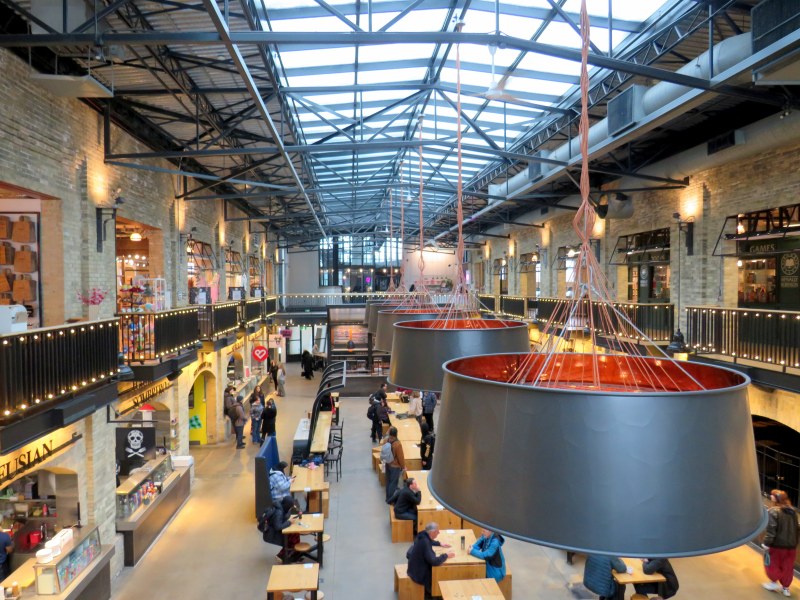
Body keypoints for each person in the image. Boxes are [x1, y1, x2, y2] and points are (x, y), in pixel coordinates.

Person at [763, 489, 799, 596]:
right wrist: (794, 543)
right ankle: (786, 588)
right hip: (791, 546)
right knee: (788, 566)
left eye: (772, 496)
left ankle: (774, 582)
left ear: (776, 499)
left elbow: (771, 529)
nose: (770, 497)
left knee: (772, 563)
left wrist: (766, 543)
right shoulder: (793, 512)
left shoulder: (774, 511)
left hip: (777, 545)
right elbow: (796, 529)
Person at [407, 522, 454, 598]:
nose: (439, 532)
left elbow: (429, 541)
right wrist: (446, 555)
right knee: (439, 571)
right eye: (437, 531)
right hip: (418, 574)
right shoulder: (425, 543)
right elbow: (434, 561)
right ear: (432, 532)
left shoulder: (422, 535)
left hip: (413, 567)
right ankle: (432, 593)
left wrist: (439, 543)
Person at [261, 495, 303, 563]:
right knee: (291, 537)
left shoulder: (281, 505)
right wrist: (289, 522)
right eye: (290, 507)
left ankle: (294, 553)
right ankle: (281, 556)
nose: (290, 509)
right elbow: (278, 526)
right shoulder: (279, 513)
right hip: (272, 534)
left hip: (274, 530)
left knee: (295, 534)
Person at [382, 426, 405, 503]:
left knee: (388, 481)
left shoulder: (386, 440)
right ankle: (390, 499)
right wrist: (403, 466)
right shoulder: (397, 444)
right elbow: (400, 457)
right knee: (393, 483)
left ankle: (387, 497)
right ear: (396, 434)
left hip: (387, 463)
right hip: (395, 466)